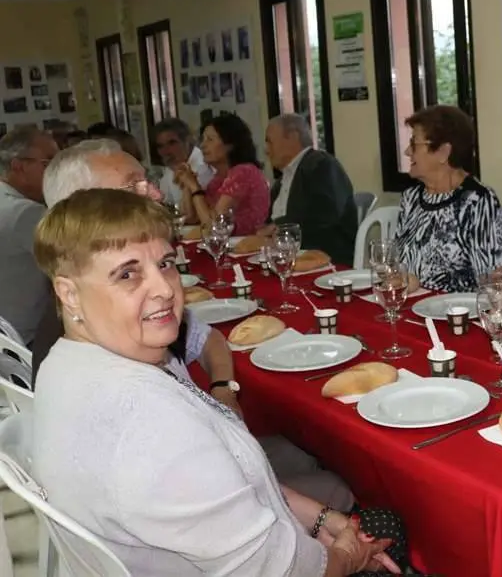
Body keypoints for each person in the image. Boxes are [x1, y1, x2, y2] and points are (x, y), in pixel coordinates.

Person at [31, 189, 404, 576]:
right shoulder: (150, 425)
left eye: (165, 263)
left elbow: (224, 492)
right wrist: (347, 557)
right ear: (68, 293)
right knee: (385, 528)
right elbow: (284, 571)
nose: (165, 289)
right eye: (128, 274)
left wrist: (321, 517)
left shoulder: (64, 365)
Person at [39, 139, 354, 510]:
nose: (155, 193)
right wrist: (321, 522)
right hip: (207, 486)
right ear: (80, 208)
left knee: (303, 453)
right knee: (339, 483)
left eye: (165, 264)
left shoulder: (84, 335)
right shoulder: (133, 393)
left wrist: (223, 389)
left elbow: (207, 338)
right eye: (134, 186)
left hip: (213, 453)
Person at [395, 105, 502, 292]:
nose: (407, 151)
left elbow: (492, 285)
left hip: (459, 308)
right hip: (412, 304)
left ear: (443, 152)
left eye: (414, 143)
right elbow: (399, 263)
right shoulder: (411, 197)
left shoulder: (478, 201)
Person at [260, 114, 360, 266]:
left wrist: (279, 227)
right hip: (285, 257)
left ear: (292, 137)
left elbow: (326, 216)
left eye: (269, 141)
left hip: (325, 260)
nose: (266, 150)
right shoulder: (283, 179)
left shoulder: (322, 165)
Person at [0, 126, 60, 350]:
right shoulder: (26, 213)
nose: (56, 172)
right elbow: (76, 261)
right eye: (48, 163)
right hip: (27, 338)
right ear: (19, 166)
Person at [178, 113, 270, 236]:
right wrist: (187, 183)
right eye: (202, 140)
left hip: (250, 243)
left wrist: (195, 188)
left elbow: (215, 227)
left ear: (230, 144)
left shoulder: (244, 172)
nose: (202, 145)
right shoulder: (218, 179)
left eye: (210, 139)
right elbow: (191, 218)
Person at [152, 117, 214, 207]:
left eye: (172, 143)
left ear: (187, 141)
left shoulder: (206, 165)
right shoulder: (170, 169)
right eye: (160, 146)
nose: (165, 152)